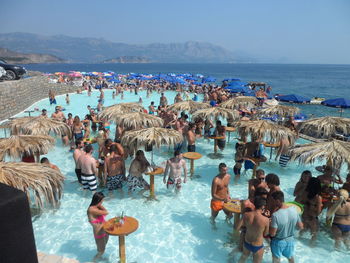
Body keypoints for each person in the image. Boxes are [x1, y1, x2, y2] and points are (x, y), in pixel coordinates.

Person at [269, 191, 303, 263]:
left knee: (276, 260)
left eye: (273, 201)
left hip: (278, 241)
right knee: (290, 258)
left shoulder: (275, 215)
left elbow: (272, 234)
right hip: (290, 240)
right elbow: (300, 227)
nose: (272, 203)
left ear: (277, 201)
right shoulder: (294, 210)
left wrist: (269, 224)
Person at [238, 197, 269, 263]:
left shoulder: (246, 215)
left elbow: (238, 227)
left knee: (243, 257)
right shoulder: (265, 220)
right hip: (258, 245)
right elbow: (266, 234)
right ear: (263, 207)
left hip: (247, 242)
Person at [298, 177, 322, 244]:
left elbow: (301, 203)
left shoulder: (304, 193)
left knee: (303, 229)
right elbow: (318, 211)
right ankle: (311, 246)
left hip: (304, 215)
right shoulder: (318, 197)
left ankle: (298, 241)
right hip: (312, 217)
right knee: (314, 234)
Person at [87, 192, 109, 259]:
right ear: (98, 200)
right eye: (102, 201)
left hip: (104, 229)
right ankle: (93, 260)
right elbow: (106, 212)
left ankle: (99, 258)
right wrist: (100, 205)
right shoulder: (92, 209)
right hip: (99, 232)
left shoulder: (96, 207)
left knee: (103, 246)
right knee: (101, 250)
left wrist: (99, 205)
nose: (102, 202)